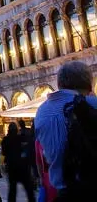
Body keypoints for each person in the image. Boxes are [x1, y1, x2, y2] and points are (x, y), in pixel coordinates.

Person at [35, 61, 97, 201]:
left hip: (63, 193)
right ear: (88, 85)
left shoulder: (42, 111)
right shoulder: (93, 104)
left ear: (59, 84)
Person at [1, 122, 35, 202]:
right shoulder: (21, 138)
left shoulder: (5, 140)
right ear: (16, 130)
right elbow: (27, 149)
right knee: (28, 188)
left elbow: (4, 152)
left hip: (11, 167)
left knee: (12, 189)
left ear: (8, 130)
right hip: (23, 166)